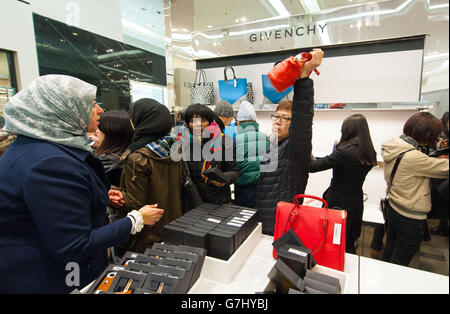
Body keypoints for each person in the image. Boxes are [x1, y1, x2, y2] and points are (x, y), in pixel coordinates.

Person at [0, 75, 164, 293]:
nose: (100, 111)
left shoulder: (33, 148)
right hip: (54, 278)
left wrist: (94, 196)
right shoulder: (51, 163)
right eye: (92, 103)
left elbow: (45, 205)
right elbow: (73, 245)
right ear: (62, 108)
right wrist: (136, 220)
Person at [256, 49, 323, 235]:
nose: (277, 121)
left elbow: (303, 118)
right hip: (265, 217)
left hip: (282, 221)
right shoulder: (273, 144)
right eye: (276, 116)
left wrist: (303, 81)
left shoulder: (295, 149)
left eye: (285, 118)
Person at [380, 112, 448, 266]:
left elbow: (417, 164)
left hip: (394, 208)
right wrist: (438, 160)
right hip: (410, 218)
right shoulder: (414, 157)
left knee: (389, 251)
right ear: (426, 134)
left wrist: (433, 159)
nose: (436, 140)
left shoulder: (394, 145)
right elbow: (444, 168)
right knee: (400, 262)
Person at [116, 98, 184, 254]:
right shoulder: (175, 149)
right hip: (175, 225)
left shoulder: (138, 157)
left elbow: (135, 202)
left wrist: (114, 192)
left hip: (147, 234)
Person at [309, 114, 378, 254]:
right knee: (348, 239)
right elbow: (333, 160)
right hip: (356, 200)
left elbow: (313, 167)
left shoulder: (345, 152)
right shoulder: (369, 152)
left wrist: (307, 153)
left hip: (338, 201)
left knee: (333, 238)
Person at [183, 103, 239, 205]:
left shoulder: (223, 141)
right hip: (192, 203)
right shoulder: (182, 145)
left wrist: (224, 178)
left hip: (218, 201)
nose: (198, 124)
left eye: (203, 120)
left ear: (210, 123)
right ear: (187, 124)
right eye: (192, 121)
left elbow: (234, 171)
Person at [234, 101, 269, 208]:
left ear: (239, 122)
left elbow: (234, 165)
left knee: (245, 218)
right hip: (262, 185)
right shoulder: (265, 137)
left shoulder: (236, 140)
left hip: (243, 186)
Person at [94, 110, 135, 187]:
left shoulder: (104, 162)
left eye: (99, 127)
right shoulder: (132, 155)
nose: (96, 131)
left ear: (110, 132)